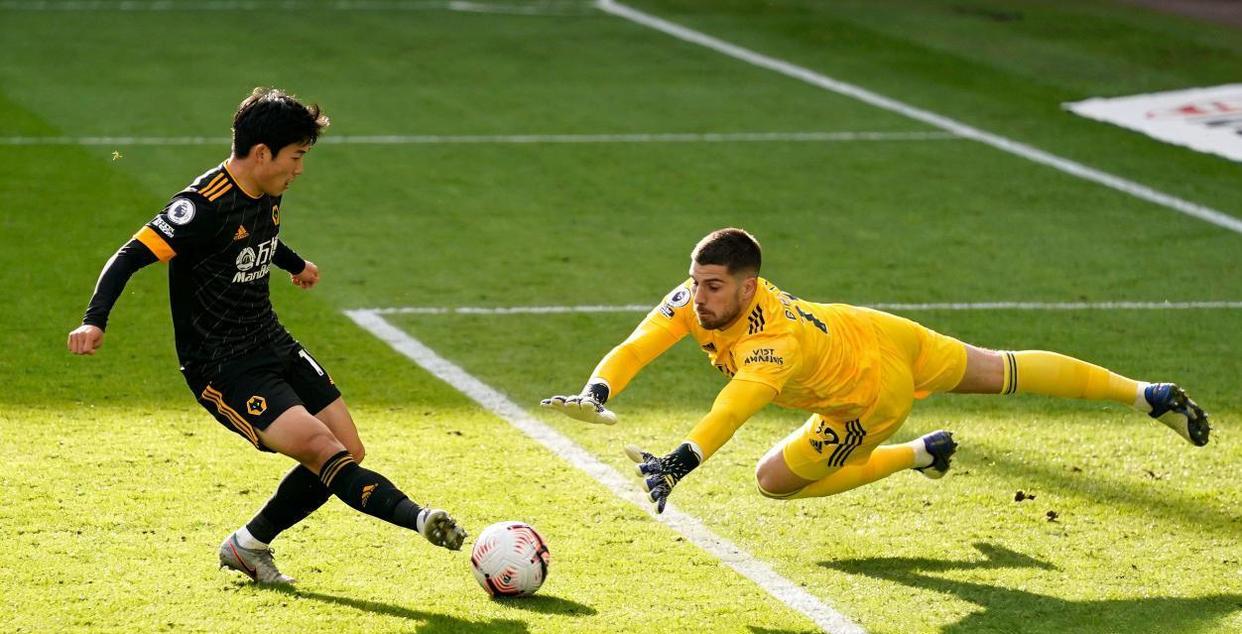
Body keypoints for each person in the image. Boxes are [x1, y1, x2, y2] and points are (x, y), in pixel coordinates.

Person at [67, 87, 466, 584]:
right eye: (295, 156)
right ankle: (420, 518)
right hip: (223, 366)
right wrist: (94, 319)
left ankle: (248, 545)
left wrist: (295, 264)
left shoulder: (265, 189)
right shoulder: (201, 206)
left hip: (272, 340)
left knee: (349, 449)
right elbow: (129, 255)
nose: (299, 169)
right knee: (324, 451)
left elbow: (256, 235)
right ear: (261, 153)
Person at [542, 228, 1209, 512]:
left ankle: (916, 453)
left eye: (712, 286)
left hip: (869, 395)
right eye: (695, 282)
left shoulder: (773, 343)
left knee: (774, 481)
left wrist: (677, 464)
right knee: (1001, 367)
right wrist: (596, 391)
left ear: (748, 286)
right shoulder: (698, 300)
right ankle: (1146, 395)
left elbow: (732, 411)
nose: (698, 298)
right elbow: (639, 343)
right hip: (876, 329)